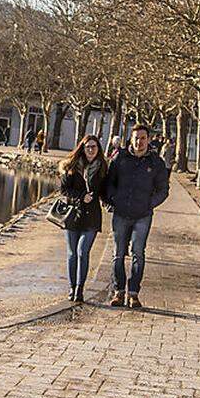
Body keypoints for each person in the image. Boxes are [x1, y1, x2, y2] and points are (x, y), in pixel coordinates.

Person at [103, 124, 170, 308]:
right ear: (130, 139)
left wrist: (149, 204)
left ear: (148, 139)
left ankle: (133, 293)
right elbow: (109, 182)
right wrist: (112, 200)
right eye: (136, 138)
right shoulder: (120, 158)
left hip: (143, 215)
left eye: (142, 138)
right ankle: (118, 292)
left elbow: (163, 190)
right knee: (118, 254)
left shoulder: (156, 163)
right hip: (121, 213)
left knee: (138, 254)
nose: (139, 142)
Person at [58, 135, 107, 303]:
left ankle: (80, 289)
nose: (91, 150)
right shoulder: (71, 167)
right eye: (88, 147)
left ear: (98, 149)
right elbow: (63, 190)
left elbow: (106, 190)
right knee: (72, 254)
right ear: (82, 148)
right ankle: (72, 287)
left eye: (94, 147)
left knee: (82, 251)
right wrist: (81, 196)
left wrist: (112, 202)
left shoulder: (102, 168)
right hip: (73, 215)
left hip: (92, 217)